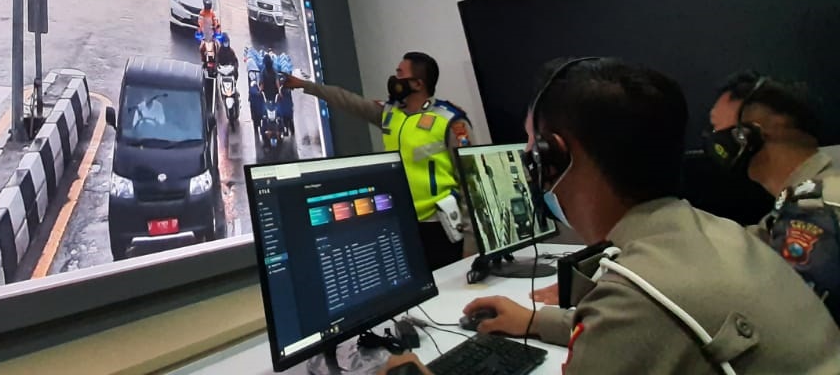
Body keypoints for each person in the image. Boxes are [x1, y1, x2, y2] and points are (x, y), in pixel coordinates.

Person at [420, 58, 840, 375]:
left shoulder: (634, 300)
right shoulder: (721, 233)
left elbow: (639, 321)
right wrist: (535, 320)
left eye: (532, 156)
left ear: (556, 158)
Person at [284, 51, 471, 269]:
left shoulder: (449, 119)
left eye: (400, 73)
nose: (394, 79)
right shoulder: (390, 113)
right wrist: (305, 85)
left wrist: (471, 244)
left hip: (439, 226)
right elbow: (347, 100)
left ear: (418, 84)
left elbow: (471, 182)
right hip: (399, 220)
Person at [707, 71, 840, 325]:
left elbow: (797, 321)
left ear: (755, 132)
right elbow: (749, 244)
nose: (715, 138)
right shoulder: (800, 199)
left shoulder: (813, 212)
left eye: (718, 128)